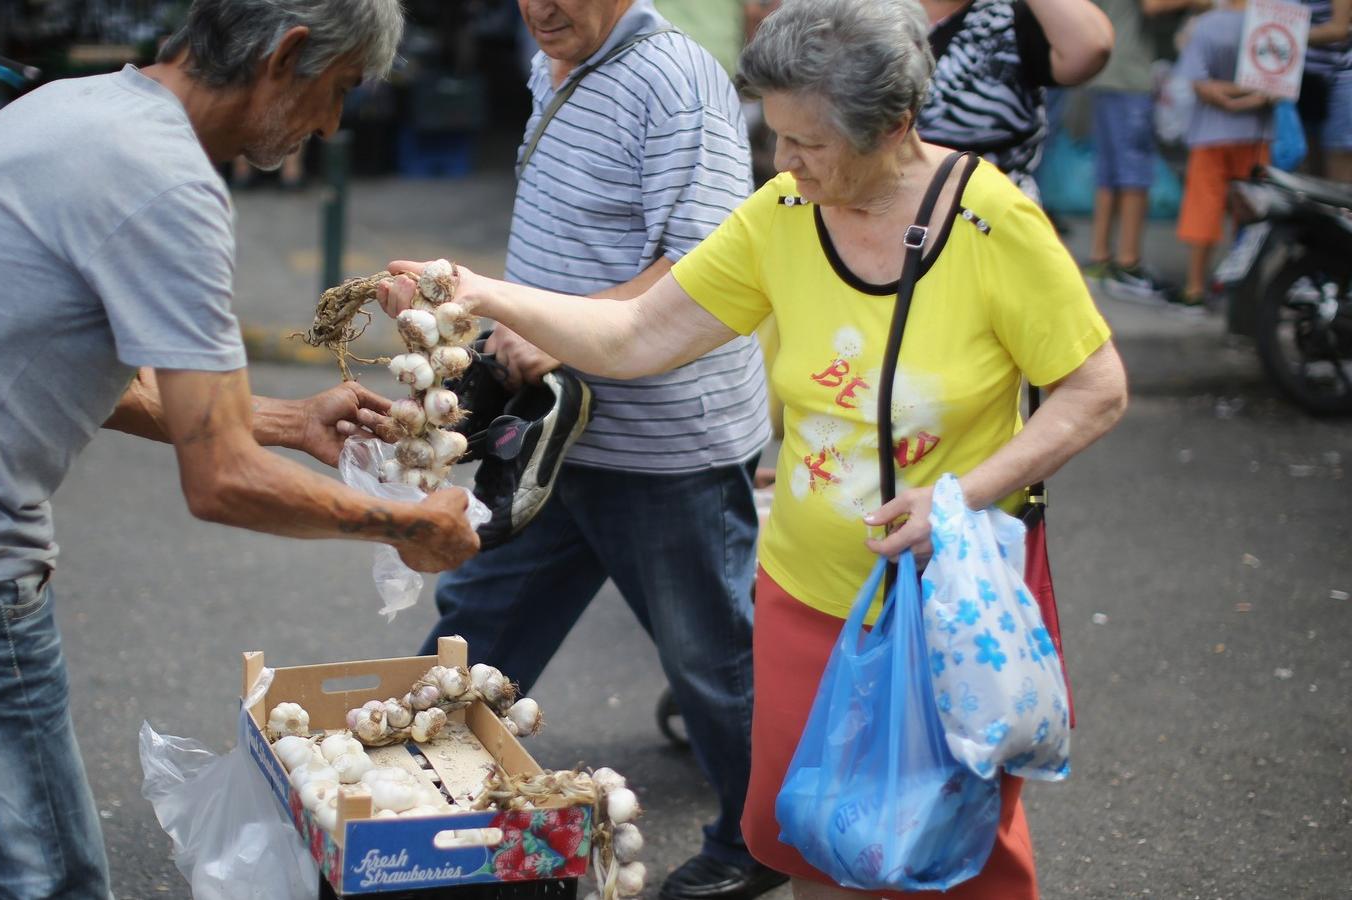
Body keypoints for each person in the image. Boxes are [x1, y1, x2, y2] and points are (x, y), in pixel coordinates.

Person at [382, 1, 1130, 896]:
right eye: (775, 135)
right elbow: (632, 338)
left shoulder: (992, 224)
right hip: (804, 597)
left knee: (948, 859)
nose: (784, 163)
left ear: (895, 127)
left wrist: (961, 496)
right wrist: (481, 294)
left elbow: (1096, 391)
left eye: (808, 143)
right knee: (807, 845)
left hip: (944, 609)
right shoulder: (782, 213)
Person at [0, 0, 479, 894]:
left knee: (27, 870)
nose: (331, 123)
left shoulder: (83, 110)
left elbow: (66, 364)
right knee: (53, 882)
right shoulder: (168, 186)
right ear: (285, 56)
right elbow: (222, 480)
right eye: (339, 88)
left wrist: (281, 420)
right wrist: (402, 523)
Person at [420, 3, 779, 899]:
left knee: (713, 658)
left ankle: (760, 842)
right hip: (560, 427)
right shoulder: (556, 59)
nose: (542, 6)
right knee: (478, 626)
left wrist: (565, 333)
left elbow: (708, 262)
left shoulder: (676, 79)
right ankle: (409, 817)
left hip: (667, 442)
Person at [916, 0, 1115, 201]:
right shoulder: (888, 18)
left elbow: (1092, 47)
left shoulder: (1008, 16)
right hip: (892, 213)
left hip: (990, 213)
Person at [1083, 0, 1211, 299]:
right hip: (1128, 76)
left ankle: (1101, 256)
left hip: (1107, 72)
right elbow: (1154, 5)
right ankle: (1128, 262)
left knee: (1110, 172)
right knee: (1134, 172)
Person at [1170, 0, 1274, 306]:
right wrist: (1250, 97)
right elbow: (1277, 87)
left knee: (1203, 207)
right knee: (1252, 212)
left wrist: (1227, 99)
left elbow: (1198, 84)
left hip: (1210, 133)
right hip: (1256, 135)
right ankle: (1243, 290)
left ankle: (1195, 288)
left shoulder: (1207, 24)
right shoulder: (1274, 22)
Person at [1302, 0, 1352, 181]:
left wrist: (1288, 35)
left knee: (1339, 178)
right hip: (1302, 79)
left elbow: (1339, 29)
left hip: (1339, 79)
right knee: (1309, 173)